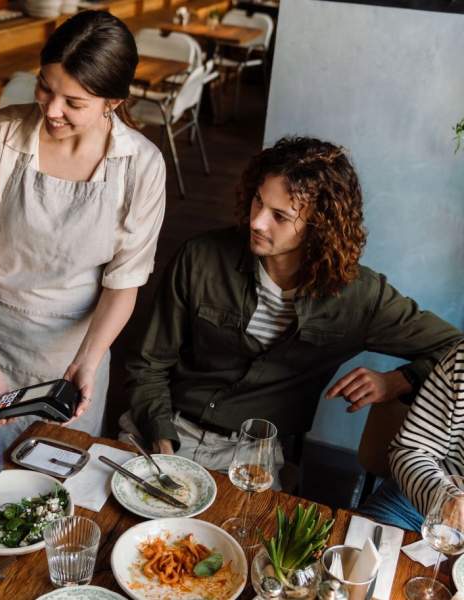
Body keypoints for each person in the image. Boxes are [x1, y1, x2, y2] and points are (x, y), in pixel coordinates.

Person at [122, 137, 462, 477]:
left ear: (319, 227)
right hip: (165, 425)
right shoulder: (200, 258)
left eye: (279, 216)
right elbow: (148, 364)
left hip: (252, 454)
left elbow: (454, 349)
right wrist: (162, 444)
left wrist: (398, 381)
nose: (257, 221)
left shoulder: (360, 297)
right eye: (258, 201)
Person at [0, 10, 167, 449]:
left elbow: (124, 282)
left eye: (74, 102)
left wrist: (86, 363)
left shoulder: (141, 166)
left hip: (75, 347)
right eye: (45, 87)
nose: (51, 109)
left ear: (113, 102)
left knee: (57, 477)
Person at [357, 340, 464, 532]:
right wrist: (445, 500)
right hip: (423, 501)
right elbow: (412, 449)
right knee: (355, 552)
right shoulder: (461, 359)